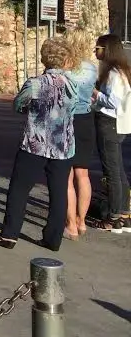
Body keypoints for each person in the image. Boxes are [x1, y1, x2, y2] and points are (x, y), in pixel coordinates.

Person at [0, 39, 76, 251]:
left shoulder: (35, 84)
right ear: (66, 59)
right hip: (62, 145)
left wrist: (30, 111)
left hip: (35, 142)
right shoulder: (72, 85)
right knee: (58, 191)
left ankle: (10, 234)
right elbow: (76, 108)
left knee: (19, 188)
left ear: (44, 58)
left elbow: (18, 104)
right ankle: (53, 239)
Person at [90, 34, 131, 233]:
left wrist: (96, 95)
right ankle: (123, 213)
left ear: (107, 50)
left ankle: (114, 217)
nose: (95, 51)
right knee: (118, 169)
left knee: (112, 172)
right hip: (118, 123)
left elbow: (113, 101)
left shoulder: (113, 74)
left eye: (97, 48)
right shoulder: (121, 71)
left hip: (109, 123)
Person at [61, 29, 97, 238]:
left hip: (68, 120)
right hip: (85, 120)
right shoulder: (91, 69)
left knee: (66, 176)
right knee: (82, 174)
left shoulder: (66, 69)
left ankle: (70, 224)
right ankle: (81, 221)